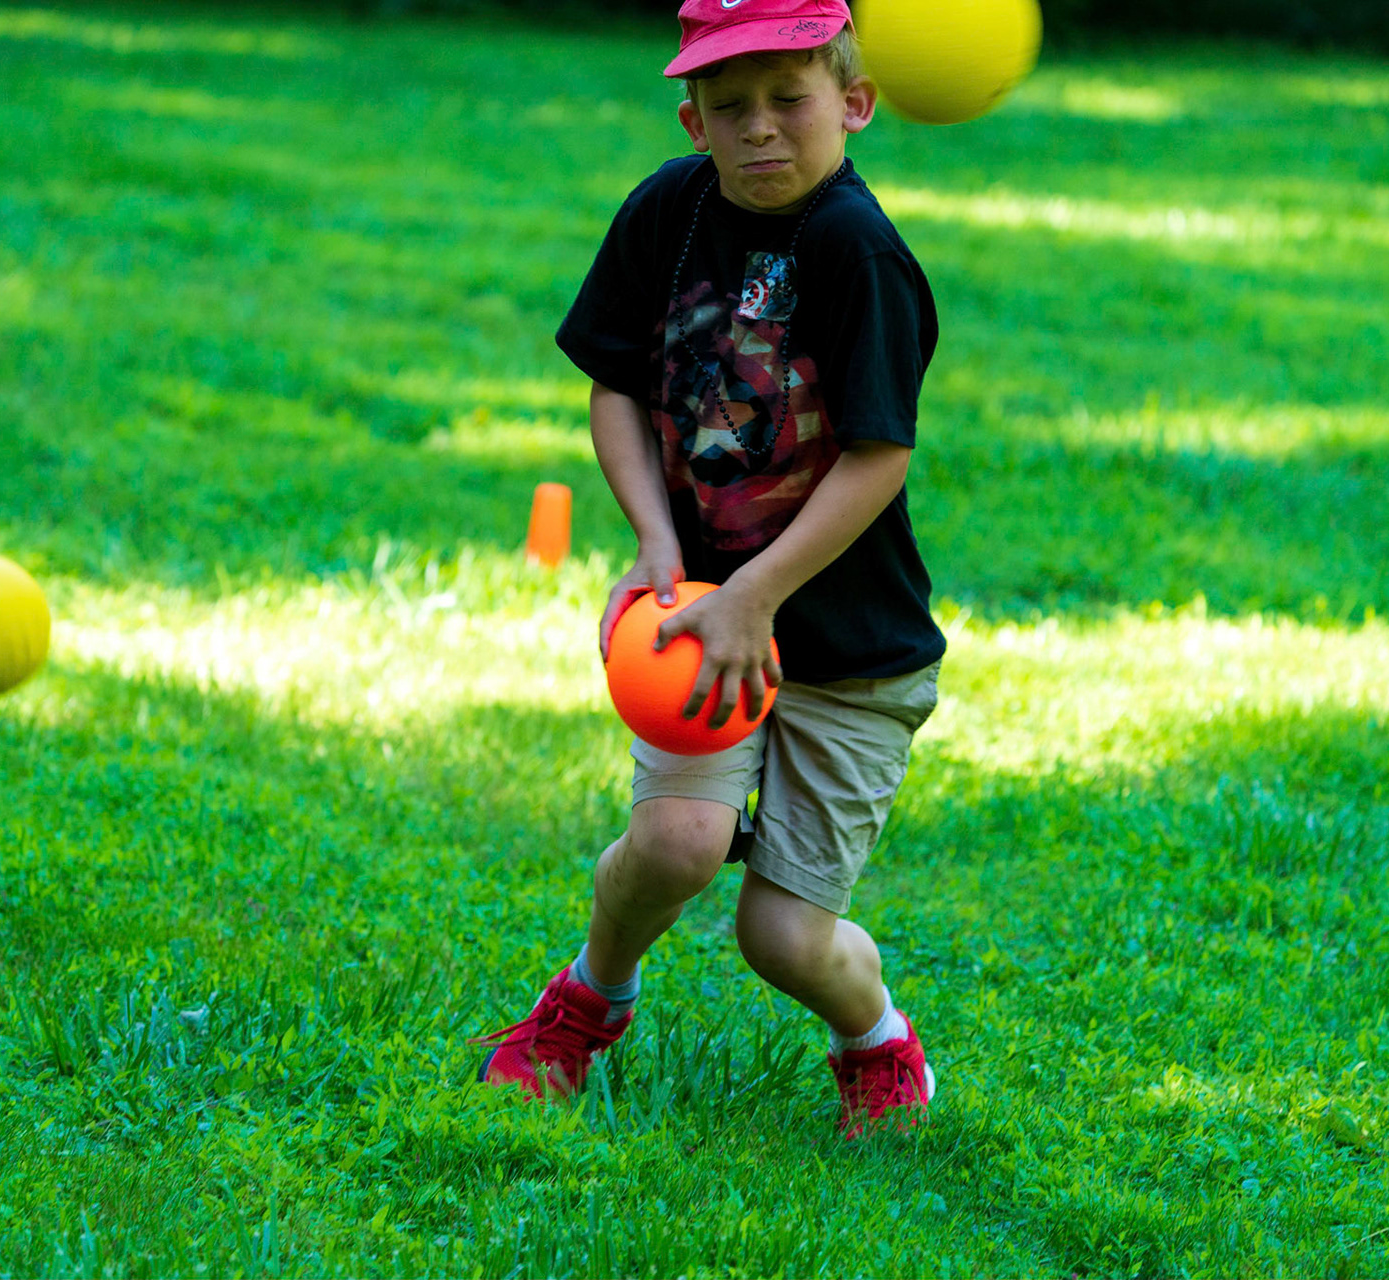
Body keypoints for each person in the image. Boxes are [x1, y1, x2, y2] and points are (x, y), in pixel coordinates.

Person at [472, 0, 946, 1138]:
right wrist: (656, 543)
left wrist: (759, 593)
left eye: (791, 98)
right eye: (731, 107)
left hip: (848, 650)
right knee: (678, 838)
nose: (762, 129)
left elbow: (878, 454)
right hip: (699, 614)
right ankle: (590, 999)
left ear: (855, 104)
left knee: (780, 937)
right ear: (694, 119)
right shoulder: (668, 212)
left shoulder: (858, 250)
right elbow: (619, 386)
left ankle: (875, 1036)